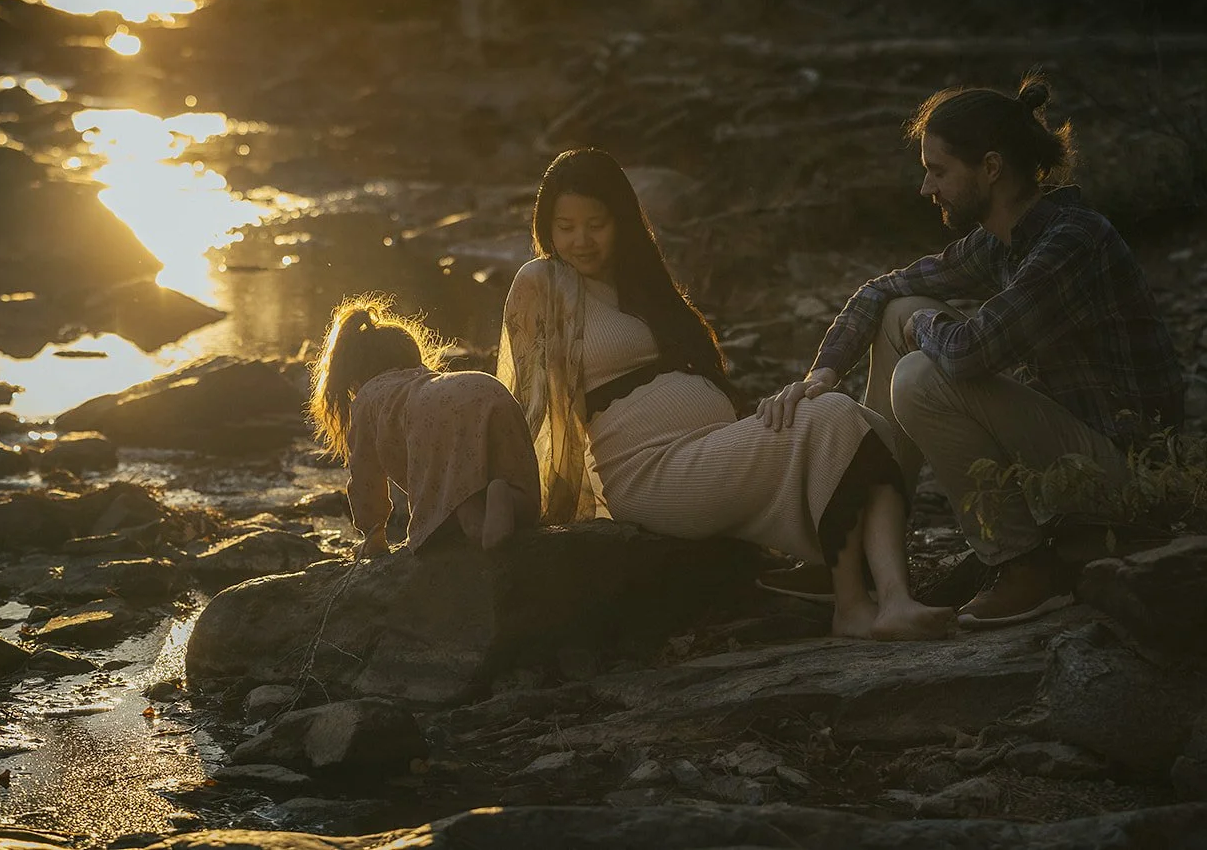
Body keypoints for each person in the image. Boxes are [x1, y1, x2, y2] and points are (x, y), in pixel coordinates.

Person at [761, 77, 1184, 628]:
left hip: (1127, 478)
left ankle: (1024, 567)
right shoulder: (1001, 239)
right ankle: (865, 550)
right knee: (898, 311)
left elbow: (966, 354)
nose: (925, 188)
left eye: (937, 171)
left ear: (990, 167)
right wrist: (824, 373)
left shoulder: (1072, 242)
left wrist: (924, 323)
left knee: (921, 374)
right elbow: (881, 289)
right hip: (1065, 450)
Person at [497, 147, 953, 641]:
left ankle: (894, 598)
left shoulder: (642, 283)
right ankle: (854, 606)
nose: (580, 240)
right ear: (546, 227)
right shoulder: (543, 281)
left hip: (712, 443)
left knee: (869, 425)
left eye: (595, 223)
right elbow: (527, 399)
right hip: (649, 469)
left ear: (622, 220)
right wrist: (513, 495)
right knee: (835, 415)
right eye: (565, 226)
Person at [309, 296, 540, 556]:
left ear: (354, 373)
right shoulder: (426, 381)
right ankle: (506, 496)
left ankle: (474, 518)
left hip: (448, 415)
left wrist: (373, 532)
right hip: (487, 388)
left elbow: (365, 476)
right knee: (514, 484)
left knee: (453, 507)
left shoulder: (369, 398)